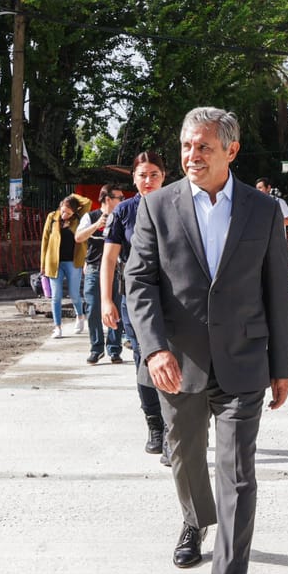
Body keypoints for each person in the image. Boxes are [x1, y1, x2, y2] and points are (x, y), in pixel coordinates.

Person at [125, 107, 288, 574]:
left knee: (238, 469)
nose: (192, 156)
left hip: (244, 360)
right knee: (185, 455)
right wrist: (154, 349)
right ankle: (195, 519)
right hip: (178, 363)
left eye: (203, 147)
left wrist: (281, 365)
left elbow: (276, 291)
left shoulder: (262, 211)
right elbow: (139, 282)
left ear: (231, 150)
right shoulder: (157, 206)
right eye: (186, 147)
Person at [101, 153, 168, 458]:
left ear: (164, 176)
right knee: (145, 358)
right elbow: (110, 258)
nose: (148, 181)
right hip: (137, 299)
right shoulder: (124, 212)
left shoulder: (178, 206)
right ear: (134, 178)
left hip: (176, 299)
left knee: (180, 359)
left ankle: (176, 430)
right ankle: (155, 425)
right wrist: (106, 300)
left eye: (154, 174)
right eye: (142, 175)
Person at [75, 184, 125, 364]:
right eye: (120, 197)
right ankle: (96, 348)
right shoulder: (91, 216)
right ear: (108, 199)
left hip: (117, 270)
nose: (122, 201)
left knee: (117, 308)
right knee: (93, 308)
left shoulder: (121, 216)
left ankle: (114, 348)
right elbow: (78, 237)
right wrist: (97, 225)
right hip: (94, 269)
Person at [40, 194, 92, 339]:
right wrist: (43, 264)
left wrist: (72, 197)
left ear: (74, 212)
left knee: (74, 294)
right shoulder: (52, 217)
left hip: (73, 261)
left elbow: (87, 201)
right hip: (53, 262)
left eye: (68, 213)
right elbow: (44, 240)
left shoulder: (79, 219)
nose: (64, 215)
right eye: (63, 211)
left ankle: (80, 315)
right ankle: (57, 327)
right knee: (56, 296)